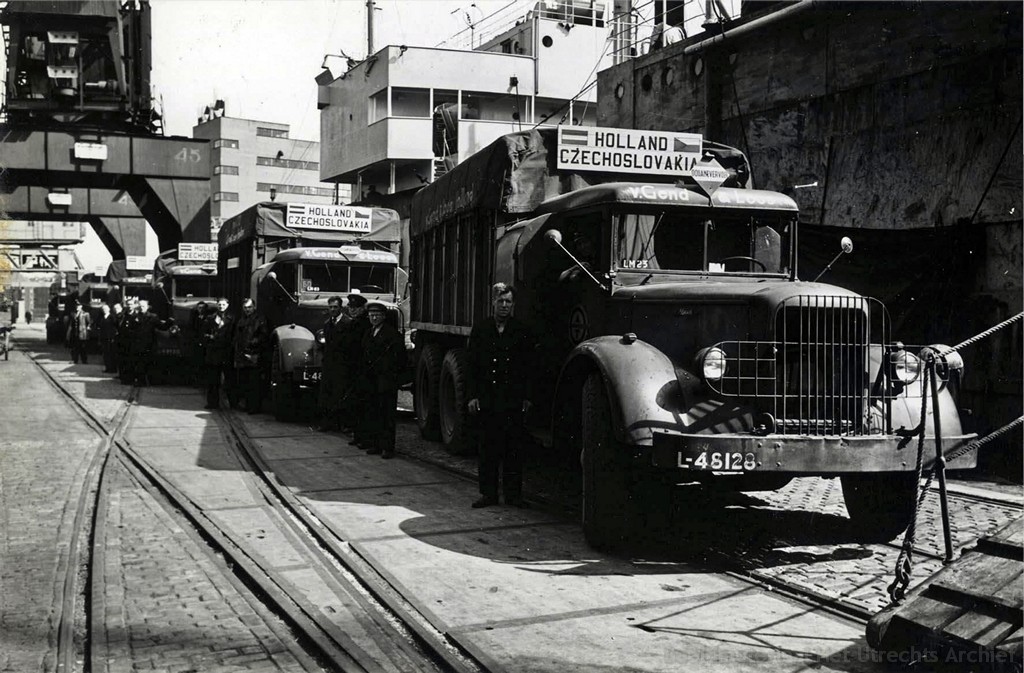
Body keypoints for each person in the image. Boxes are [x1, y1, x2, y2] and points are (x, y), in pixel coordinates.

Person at [466, 283, 536, 508]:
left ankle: (513, 495)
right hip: (488, 399)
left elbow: (529, 367)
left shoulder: (521, 331)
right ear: (493, 303)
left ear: (513, 305)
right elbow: (472, 365)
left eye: (508, 302)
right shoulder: (481, 329)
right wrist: (472, 396)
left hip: (512, 400)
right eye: (500, 301)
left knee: (513, 450)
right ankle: (489, 494)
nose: (504, 306)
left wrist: (527, 397)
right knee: (488, 449)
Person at [360, 301, 404, 458]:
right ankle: (376, 444)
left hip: (386, 380)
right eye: (371, 315)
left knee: (387, 415)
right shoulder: (369, 333)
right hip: (372, 380)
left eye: (376, 315)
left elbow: (399, 359)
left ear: (383, 317)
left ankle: (387, 447)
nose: (373, 317)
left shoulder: (392, 335)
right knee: (374, 412)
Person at [317, 296, 350, 431]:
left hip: (342, 365)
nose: (332, 309)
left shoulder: (348, 323)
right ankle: (327, 423)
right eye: (330, 307)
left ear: (340, 307)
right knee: (327, 394)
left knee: (341, 394)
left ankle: (341, 424)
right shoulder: (327, 324)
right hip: (329, 365)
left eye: (335, 307)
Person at [339, 292, 370, 437]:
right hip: (350, 365)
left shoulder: (364, 323)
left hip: (359, 366)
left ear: (363, 308)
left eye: (356, 307)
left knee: (358, 398)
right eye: (351, 307)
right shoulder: (352, 323)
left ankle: (356, 428)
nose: (352, 310)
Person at [232, 298, 267, 414]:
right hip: (243, 355)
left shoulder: (260, 320)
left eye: (249, 307)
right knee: (245, 382)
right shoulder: (241, 320)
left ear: (254, 307)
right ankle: (248, 405)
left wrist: (253, 344)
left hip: (254, 354)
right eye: (245, 308)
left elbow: (263, 335)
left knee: (254, 383)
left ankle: (254, 407)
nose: (247, 310)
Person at [202, 297, 236, 409]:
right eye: (220, 304)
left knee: (230, 379)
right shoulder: (210, 318)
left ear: (228, 305)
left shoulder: (232, 319)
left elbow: (235, 335)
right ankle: (212, 403)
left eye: (223, 304)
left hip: (226, 352)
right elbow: (204, 333)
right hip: (214, 352)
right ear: (217, 305)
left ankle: (233, 403)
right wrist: (210, 337)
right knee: (213, 380)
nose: (221, 307)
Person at [129, 298, 159, 385]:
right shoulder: (135, 317)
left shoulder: (153, 317)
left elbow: (161, 326)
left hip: (149, 344)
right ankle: (140, 381)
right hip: (138, 344)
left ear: (147, 307)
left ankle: (149, 380)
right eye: (140, 306)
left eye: (143, 306)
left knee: (148, 362)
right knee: (139, 363)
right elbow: (131, 329)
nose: (142, 308)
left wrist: (170, 322)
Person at [98, 303, 118, 373]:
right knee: (105, 354)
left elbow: (115, 327)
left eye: (106, 309)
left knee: (111, 353)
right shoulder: (102, 317)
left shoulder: (112, 317)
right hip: (104, 338)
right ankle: (107, 368)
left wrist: (113, 337)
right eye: (103, 309)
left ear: (109, 309)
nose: (104, 310)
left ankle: (112, 368)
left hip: (110, 338)